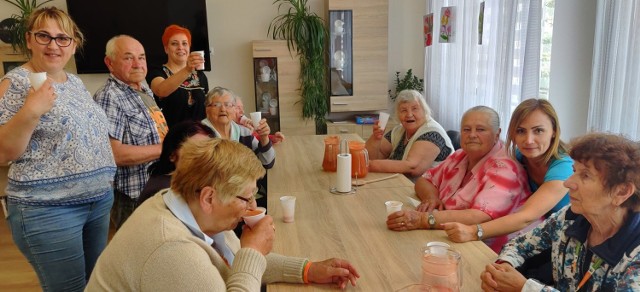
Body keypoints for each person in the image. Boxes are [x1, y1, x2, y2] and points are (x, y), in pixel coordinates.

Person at [87, 138, 360, 291]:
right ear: (209, 197)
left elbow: (232, 261)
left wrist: (308, 270)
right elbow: (245, 261)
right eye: (246, 197)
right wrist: (253, 252)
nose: (252, 204)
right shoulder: (171, 248)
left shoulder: (188, 207)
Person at [0, 7, 116, 291]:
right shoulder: (14, 83)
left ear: (73, 45)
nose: (54, 45)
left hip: (97, 202)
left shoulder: (74, 82)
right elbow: (3, 153)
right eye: (44, 36)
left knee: (94, 285)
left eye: (62, 38)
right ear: (29, 40)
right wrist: (31, 111)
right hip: (48, 209)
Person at [481, 133, 640, 291]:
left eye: (585, 175)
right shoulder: (569, 217)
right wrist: (502, 270)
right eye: (574, 171)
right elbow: (519, 245)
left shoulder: (636, 253)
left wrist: (525, 288)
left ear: (622, 192)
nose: (568, 182)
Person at [442, 99, 573, 281]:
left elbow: (527, 216)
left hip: (562, 245)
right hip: (530, 237)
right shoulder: (519, 156)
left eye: (538, 130)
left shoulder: (563, 167)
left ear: (554, 132)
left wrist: (474, 231)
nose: (528, 140)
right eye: (520, 131)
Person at [386, 106, 531, 252]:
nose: (472, 135)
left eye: (480, 129)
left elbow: (478, 216)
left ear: (496, 134)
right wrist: (432, 197)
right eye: (466, 129)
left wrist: (423, 219)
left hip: (490, 252)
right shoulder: (460, 155)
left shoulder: (505, 169)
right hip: (449, 237)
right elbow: (424, 180)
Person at [94, 35, 168, 229]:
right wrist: (168, 149)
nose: (137, 64)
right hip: (134, 198)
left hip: (158, 189)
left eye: (141, 57)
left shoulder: (144, 89)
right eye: (128, 58)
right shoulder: (109, 96)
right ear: (109, 63)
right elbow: (114, 153)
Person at [365, 89, 454, 180]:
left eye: (415, 109)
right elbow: (374, 155)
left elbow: (413, 167)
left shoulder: (432, 133)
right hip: (402, 185)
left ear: (424, 111)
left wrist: (369, 165)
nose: (409, 114)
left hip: (436, 190)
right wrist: (376, 138)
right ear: (398, 114)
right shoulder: (399, 130)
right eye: (403, 110)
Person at [137, 121, 216, 206]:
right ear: (172, 155)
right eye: (195, 150)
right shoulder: (163, 191)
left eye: (208, 150)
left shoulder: (199, 182)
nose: (203, 156)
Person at [146, 24, 208, 128]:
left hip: (198, 138)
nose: (180, 48)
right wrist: (188, 69)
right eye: (174, 44)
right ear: (166, 49)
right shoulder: (156, 71)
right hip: (170, 137)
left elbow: (207, 107)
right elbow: (161, 90)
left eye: (184, 44)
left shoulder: (200, 75)